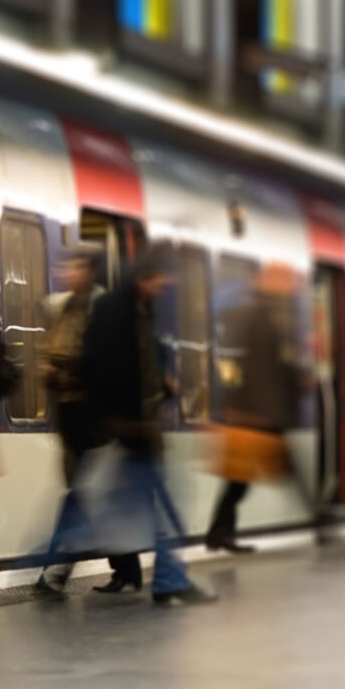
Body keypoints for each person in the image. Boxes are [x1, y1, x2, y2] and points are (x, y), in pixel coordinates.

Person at [83, 246, 210, 605]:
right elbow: (104, 368)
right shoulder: (116, 312)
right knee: (159, 511)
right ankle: (169, 580)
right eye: (157, 281)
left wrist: (164, 388)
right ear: (142, 279)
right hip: (129, 432)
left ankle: (167, 578)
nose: (162, 288)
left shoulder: (138, 311)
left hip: (136, 430)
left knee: (152, 509)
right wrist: (119, 419)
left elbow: (139, 369)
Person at [207, 268, 301, 553]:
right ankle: (322, 519)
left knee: (238, 480)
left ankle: (219, 534)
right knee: (248, 477)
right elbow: (261, 371)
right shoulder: (265, 319)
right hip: (259, 413)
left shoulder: (261, 316)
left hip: (255, 411)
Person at [34, 247, 105, 598]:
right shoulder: (61, 308)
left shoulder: (100, 309)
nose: (67, 272)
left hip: (92, 417)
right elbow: (51, 352)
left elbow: (95, 365)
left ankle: (55, 569)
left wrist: (59, 372)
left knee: (80, 493)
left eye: (75, 266)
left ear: (91, 271)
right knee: (85, 493)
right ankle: (128, 567)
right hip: (69, 414)